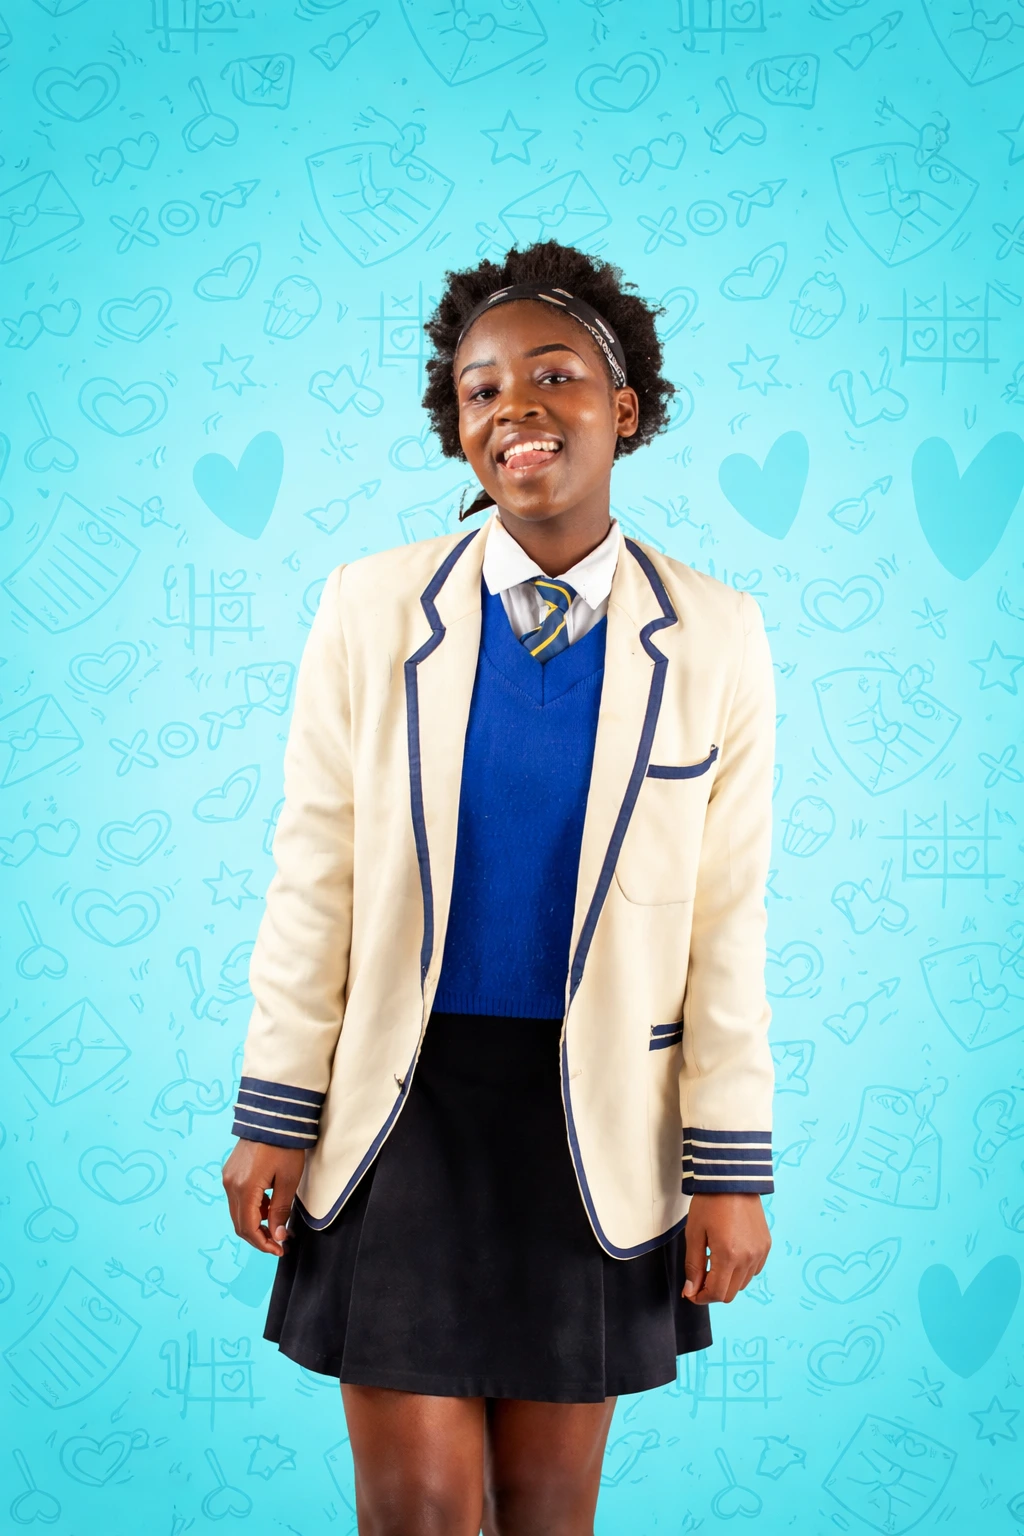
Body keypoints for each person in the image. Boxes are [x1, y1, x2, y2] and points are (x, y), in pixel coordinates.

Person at [222, 237, 776, 1536]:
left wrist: (731, 1168)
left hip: (595, 1128)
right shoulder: (369, 608)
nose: (516, 408)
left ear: (623, 408)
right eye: (481, 391)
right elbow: (313, 875)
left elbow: (727, 921)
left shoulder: (717, 633)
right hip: (397, 1109)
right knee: (416, 1510)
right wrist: (276, 1106)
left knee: (543, 1513)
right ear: (458, 432)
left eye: (555, 376)